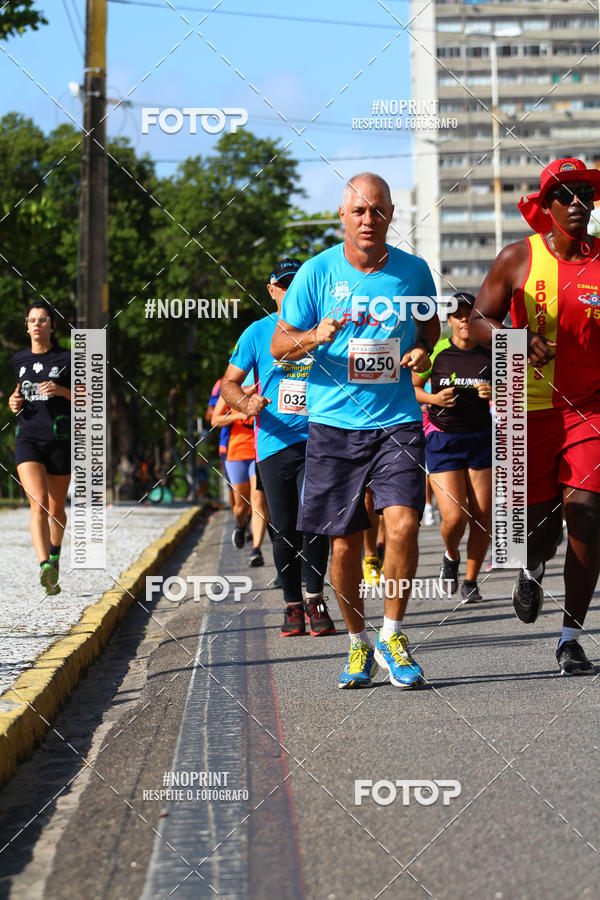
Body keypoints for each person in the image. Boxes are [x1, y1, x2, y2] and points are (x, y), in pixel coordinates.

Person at [271, 172, 439, 689]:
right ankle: (357, 643)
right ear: (343, 217)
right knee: (343, 545)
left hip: (398, 422)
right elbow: (280, 345)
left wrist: (420, 355)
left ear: (392, 214)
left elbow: (429, 331)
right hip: (334, 426)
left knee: (405, 523)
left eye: (379, 210)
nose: (370, 219)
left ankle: (392, 634)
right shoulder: (318, 272)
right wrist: (313, 337)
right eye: (359, 211)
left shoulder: (414, 272)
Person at [470, 157, 600, 675]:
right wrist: (518, 342)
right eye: (564, 196)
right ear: (545, 207)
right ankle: (533, 565)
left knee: (588, 510)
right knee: (540, 530)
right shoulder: (517, 259)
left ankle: (570, 636)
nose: (576, 204)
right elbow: (480, 320)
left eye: (584, 194)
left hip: (590, 407)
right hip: (529, 410)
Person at [220, 258, 334, 636]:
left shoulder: (326, 329)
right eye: (283, 286)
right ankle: (292, 605)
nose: (290, 292)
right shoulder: (256, 333)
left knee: (315, 518)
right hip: (274, 442)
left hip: (320, 437)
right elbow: (230, 384)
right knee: (284, 526)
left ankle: (316, 596)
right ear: (271, 291)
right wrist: (245, 404)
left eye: (297, 284)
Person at [413, 292, 492, 603]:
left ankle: (471, 581)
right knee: (455, 517)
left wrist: (494, 391)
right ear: (448, 320)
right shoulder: (437, 353)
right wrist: (434, 399)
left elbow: (513, 391)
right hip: (443, 438)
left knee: (482, 514)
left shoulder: (490, 353)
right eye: (457, 315)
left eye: (469, 314)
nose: (463, 320)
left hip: (480, 437)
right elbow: (413, 387)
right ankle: (450, 556)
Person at [8, 300, 72, 595]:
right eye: (32, 320)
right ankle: (44, 565)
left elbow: (89, 400)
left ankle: (55, 554)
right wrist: (13, 402)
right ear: (26, 325)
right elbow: (18, 392)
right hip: (28, 438)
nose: (37, 325)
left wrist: (61, 390)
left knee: (56, 507)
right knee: (39, 503)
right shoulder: (18, 359)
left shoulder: (68, 358)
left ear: (52, 326)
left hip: (59, 439)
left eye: (43, 320)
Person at [211, 380, 269, 566]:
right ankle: (241, 525)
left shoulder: (264, 384)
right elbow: (215, 420)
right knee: (240, 507)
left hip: (259, 451)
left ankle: (256, 550)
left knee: (258, 500)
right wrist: (240, 415)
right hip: (236, 454)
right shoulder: (230, 389)